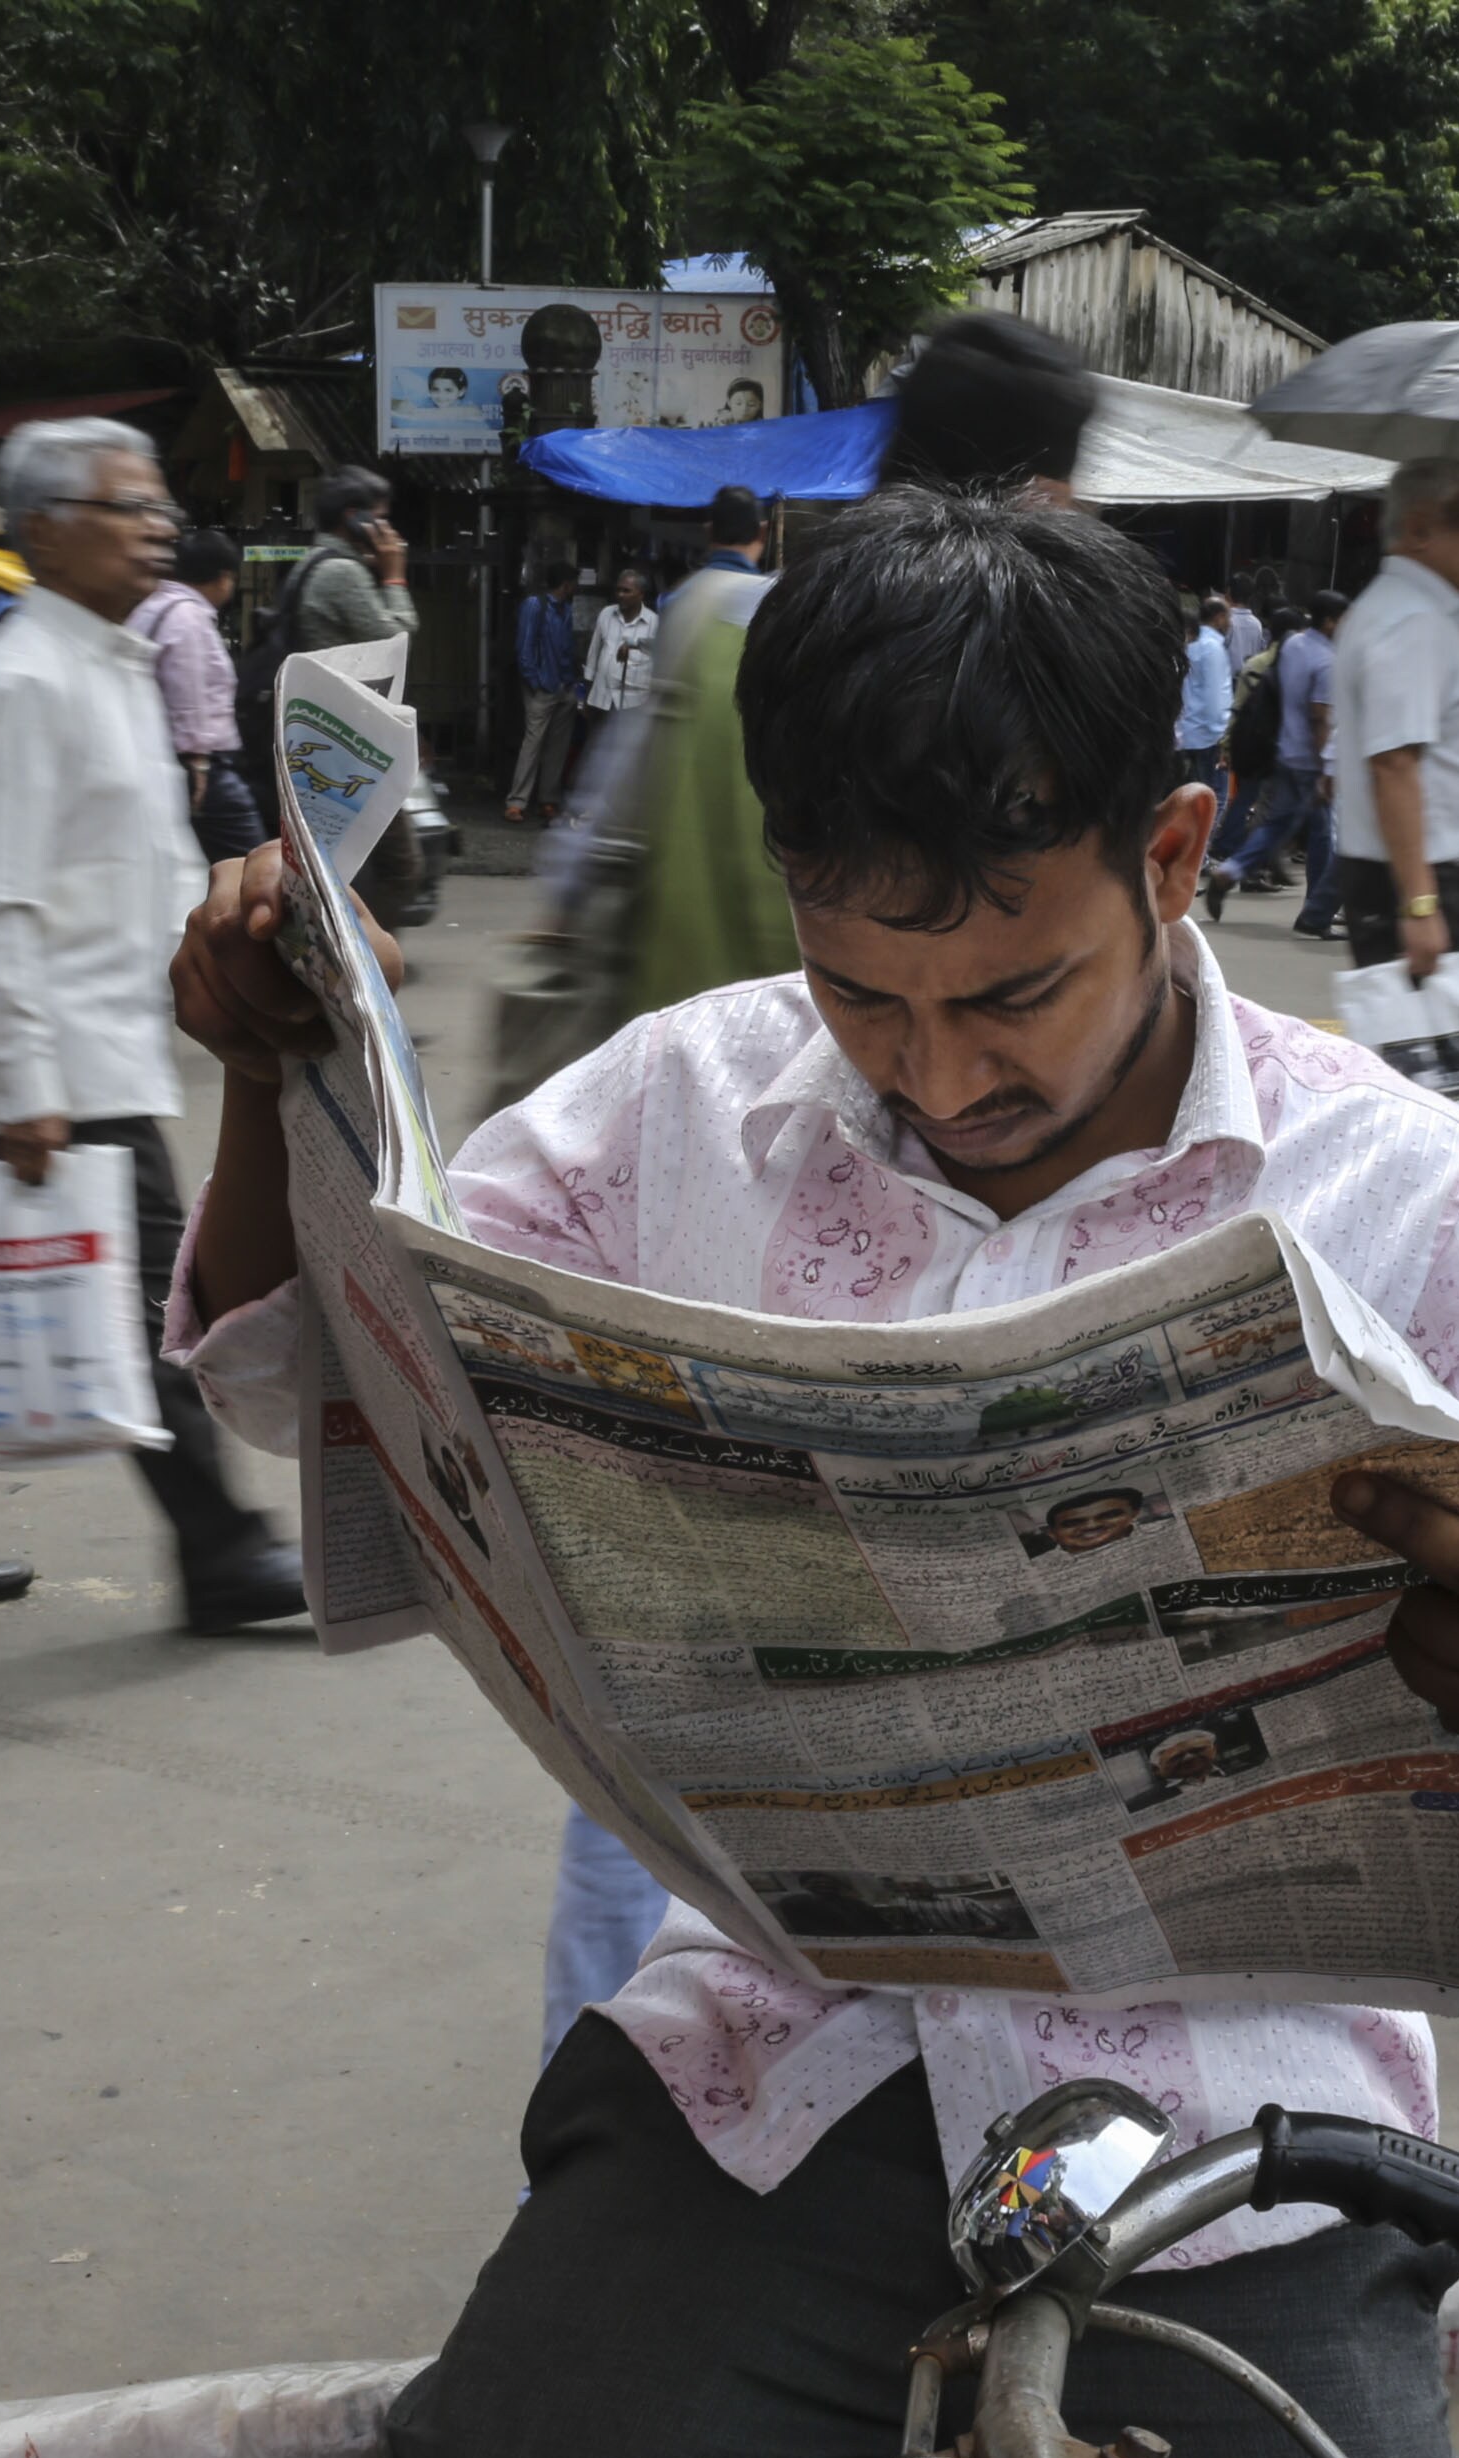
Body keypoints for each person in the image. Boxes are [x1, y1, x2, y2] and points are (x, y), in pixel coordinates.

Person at [169, 480, 1459, 2458]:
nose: (936, 1070)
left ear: (1175, 855)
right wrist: (271, 1079)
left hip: (1236, 2140)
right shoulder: (680, 1107)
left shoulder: (1420, 1204)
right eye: (862, 994)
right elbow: (308, 1376)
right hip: (773, 2071)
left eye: (1012, 991)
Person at [500, 309, 1100, 2076]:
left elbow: (591, 857)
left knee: (668, 1706)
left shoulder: (716, 618)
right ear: (1044, 486)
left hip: (674, 1233)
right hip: (867, 1234)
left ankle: (602, 2088)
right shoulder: (1004, 696)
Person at [0, 417, 300, 1629]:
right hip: (62, 1069)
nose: (154, 525)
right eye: (122, 505)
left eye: (154, 505)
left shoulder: (101, 660)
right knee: (140, 1308)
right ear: (43, 530)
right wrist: (23, 1079)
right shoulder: (26, 682)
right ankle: (221, 1548)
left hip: (91, 1051)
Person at [1321, 459, 1459, 995]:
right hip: (1423, 881)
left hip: (1435, 876)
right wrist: (1421, 905)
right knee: (1430, 1068)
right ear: (1417, 530)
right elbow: (1394, 764)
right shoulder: (1408, 620)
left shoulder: (1422, 615)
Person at [292, 467, 434, 925]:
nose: (390, 532)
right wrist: (394, 577)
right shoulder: (341, 574)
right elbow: (397, 639)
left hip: (328, 740)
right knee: (399, 865)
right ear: (355, 520)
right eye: (381, 519)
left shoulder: (313, 563)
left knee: (345, 861)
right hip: (347, 751)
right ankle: (360, 955)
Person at [136, 527, 266, 865]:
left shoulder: (153, 606)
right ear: (224, 578)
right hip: (201, 765)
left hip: (158, 755)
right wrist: (199, 762)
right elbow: (188, 691)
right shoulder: (188, 618)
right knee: (250, 862)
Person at [1216, 586, 1340, 925]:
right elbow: (1319, 715)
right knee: (1322, 834)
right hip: (1310, 759)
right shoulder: (1327, 659)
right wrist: (1326, 764)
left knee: (1277, 824)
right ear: (1330, 621)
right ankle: (1317, 910)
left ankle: (1230, 870)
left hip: (1284, 750)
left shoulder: (1294, 645)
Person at [505, 555, 586, 823]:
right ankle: (517, 801)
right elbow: (524, 648)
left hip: (564, 684)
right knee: (533, 743)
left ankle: (547, 800)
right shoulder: (536, 605)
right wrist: (537, 682)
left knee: (557, 747)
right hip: (544, 685)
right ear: (565, 584)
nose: (575, 587)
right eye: (573, 582)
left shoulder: (564, 608)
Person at [579, 564, 657, 757]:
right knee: (596, 753)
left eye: (627, 591)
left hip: (632, 703)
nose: (620, 595)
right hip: (601, 699)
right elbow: (593, 654)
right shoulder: (606, 614)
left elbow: (658, 657)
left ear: (640, 594)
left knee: (625, 756)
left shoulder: (653, 622)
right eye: (618, 590)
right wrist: (586, 698)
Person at [1177, 587, 1234, 814]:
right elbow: (1215, 696)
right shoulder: (1213, 648)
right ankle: (1204, 847)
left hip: (1187, 729)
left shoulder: (1192, 642)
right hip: (1207, 734)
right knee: (1213, 796)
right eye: (1228, 616)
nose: (1230, 621)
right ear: (1219, 618)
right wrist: (1221, 733)